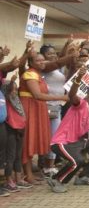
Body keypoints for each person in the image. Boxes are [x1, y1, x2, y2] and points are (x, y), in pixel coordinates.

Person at [47, 68, 89, 193]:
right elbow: (71, 95)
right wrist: (78, 79)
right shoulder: (81, 104)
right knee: (78, 161)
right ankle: (56, 180)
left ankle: (84, 177)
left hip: (76, 143)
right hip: (62, 142)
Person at [20, 46, 72, 184]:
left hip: (38, 109)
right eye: (38, 60)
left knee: (34, 140)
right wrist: (61, 97)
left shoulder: (38, 74)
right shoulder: (30, 74)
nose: (42, 62)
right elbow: (37, 95)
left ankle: (30, 173)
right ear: (31, 63)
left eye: (43, 60)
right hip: (30, 110)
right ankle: (27, 175)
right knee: (28, 141)